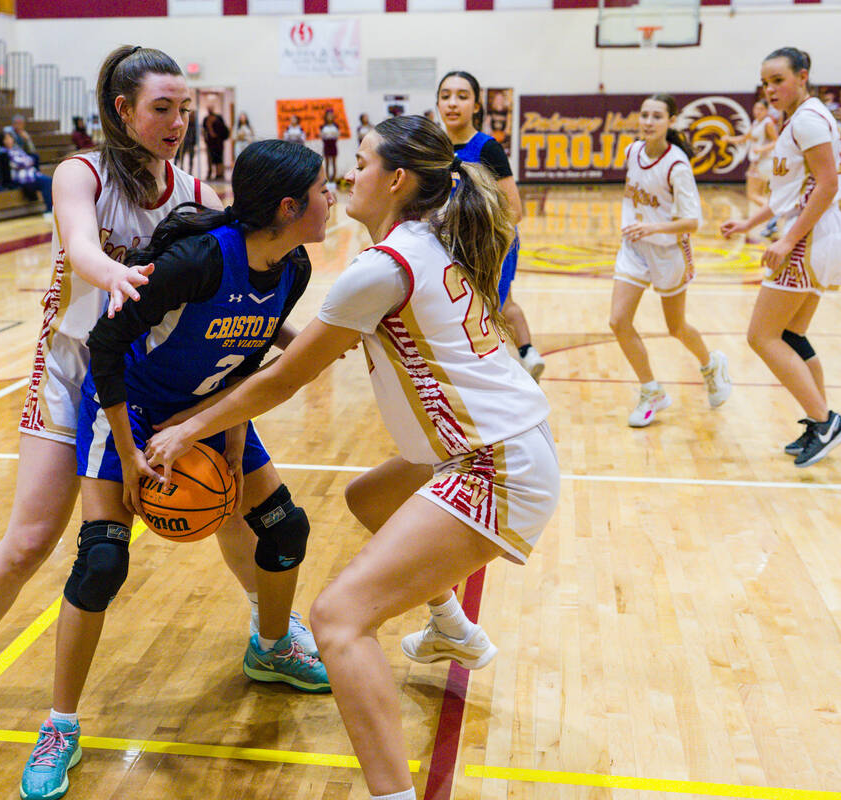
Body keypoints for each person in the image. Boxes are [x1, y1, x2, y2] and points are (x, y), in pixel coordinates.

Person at [0, 44, 319, 748]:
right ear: (121, 109)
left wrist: (295, 338)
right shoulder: (80, 174)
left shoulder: (195, 194)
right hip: (76, 369)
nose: (177, 123)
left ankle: (272, 632)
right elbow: (80, 247)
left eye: (184, 111)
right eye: (162, 109)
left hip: (151, 373)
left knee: (226, 504)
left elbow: (240, 279)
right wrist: (115, 273)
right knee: (34, 536)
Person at [147, 115, 559, 800]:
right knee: (368, 498)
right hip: (505, 442)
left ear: (396, 180)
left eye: (361, 162)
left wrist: (187, 430)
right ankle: (453, 628)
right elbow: (300, 354)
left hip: (492, 463)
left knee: (339, 620)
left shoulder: (379, 269)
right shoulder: (428, 239)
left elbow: (283, 380)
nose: (347, 175)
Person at [17, 138, 334, 799]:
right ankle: (60, 725)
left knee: (283, 530)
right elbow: (105, 344)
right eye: (322, 190)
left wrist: (223, 440)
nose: (331, 198)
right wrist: (131, 455)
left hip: (207, 408)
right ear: (287, 206)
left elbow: (245, 369)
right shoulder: (195, 261)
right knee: (102, 562)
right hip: (128, 409)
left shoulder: (294, 268)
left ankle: (271, 645)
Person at [721, 47, 841, 467]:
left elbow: (827, 185)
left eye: (778, 79)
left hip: (810, 238)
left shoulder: (810, 120)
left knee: (761, 336)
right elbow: (793, 190)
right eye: (765, 82)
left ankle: (826, 420)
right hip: (817, 234)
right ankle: (819, 424)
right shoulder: (800, 119)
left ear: (802, 76)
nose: (770, 88)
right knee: (791, 336)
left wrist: (786, 240)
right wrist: (750, 224)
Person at [610, 94, 733, 427]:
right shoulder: (632, 151)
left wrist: (653, 225)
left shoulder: (677, 165)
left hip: (669, 250)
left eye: (657, 116)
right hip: (635, 247)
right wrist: (640, 227)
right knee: (618, 321)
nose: (648, 122)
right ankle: (652, 391)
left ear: (671, 121)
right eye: (644, 115)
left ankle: (711, 365)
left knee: (675, 327)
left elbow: (693, 223)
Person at [437, 70, 545, 380]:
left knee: (489, 309)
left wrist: (477, 237)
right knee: (493, 306)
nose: (453, 103)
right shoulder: (434, 149)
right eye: (445, 96)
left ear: (477, 104)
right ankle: (527, 354)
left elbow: (514, 210)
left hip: (493, 243)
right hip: (451, 243)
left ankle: (507, 369)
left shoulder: (487, 148)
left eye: (462, 96)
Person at [722, 99, 777, 243]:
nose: (757, 112)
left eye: (760, 109)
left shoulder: (768, 123)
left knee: (752, 194)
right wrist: (729, 139)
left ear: (766, 110)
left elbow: (776, 141)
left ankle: (772, 212)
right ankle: (771, 218)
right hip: (758, 162)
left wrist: (761, 149)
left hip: (764, 162)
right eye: (756, 109)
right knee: (759, 194)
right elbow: (745, 138)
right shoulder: (756, 123)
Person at [1, 129, 52, 213]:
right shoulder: (5, 152)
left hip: (31, 174)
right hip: (22, 177)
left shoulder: (17, 149)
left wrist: (26, 161)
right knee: (47, 182)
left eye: (10, 138)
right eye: (6, 138)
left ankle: (50, 208)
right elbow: (17, 163)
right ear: (3, 141)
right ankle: (49, 210)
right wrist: (27, 162)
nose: (9, 140)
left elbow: (30, 159)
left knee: (49, 180)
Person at [203, 105, 229, 181]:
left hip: (218, 143)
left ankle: (220, 174)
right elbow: (205, 131)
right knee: (210, 159)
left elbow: (222, 130)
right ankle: (210, 173)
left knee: (219, 159)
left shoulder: (218, 118)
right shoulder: (206, 119)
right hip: (210, 143)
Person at [320, 108, 339, 184]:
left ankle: (333, 179)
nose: (330, 117)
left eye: (331, 115)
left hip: (333, 144)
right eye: (328, 115)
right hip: (326, 144)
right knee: (327, 163)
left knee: (334, 163)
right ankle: (327, 178)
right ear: (326, 117)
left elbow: (337, 136)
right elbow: (322, 136)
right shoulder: (323, 126)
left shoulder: (336, 126)